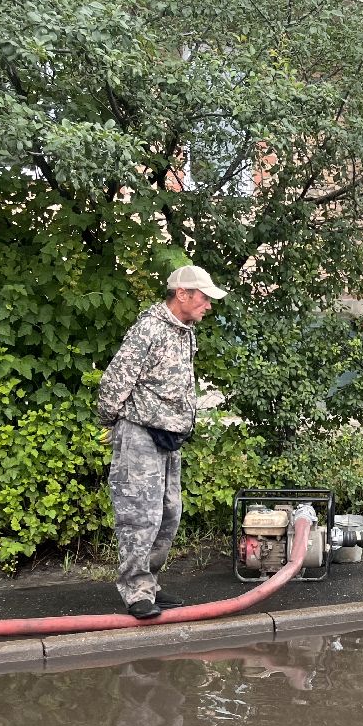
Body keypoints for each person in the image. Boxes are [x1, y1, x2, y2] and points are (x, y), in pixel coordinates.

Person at [97, 264, 227, 619]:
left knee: (169, 514)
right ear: (183, 294)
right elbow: (114, 382)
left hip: (168, 437)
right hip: (139, 433)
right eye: (204, 297)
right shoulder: (149, 329)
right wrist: (112, 423)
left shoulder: (185, 332)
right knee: (141, 515)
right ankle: (135, 591)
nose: (208, 306)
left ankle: (149, 584)